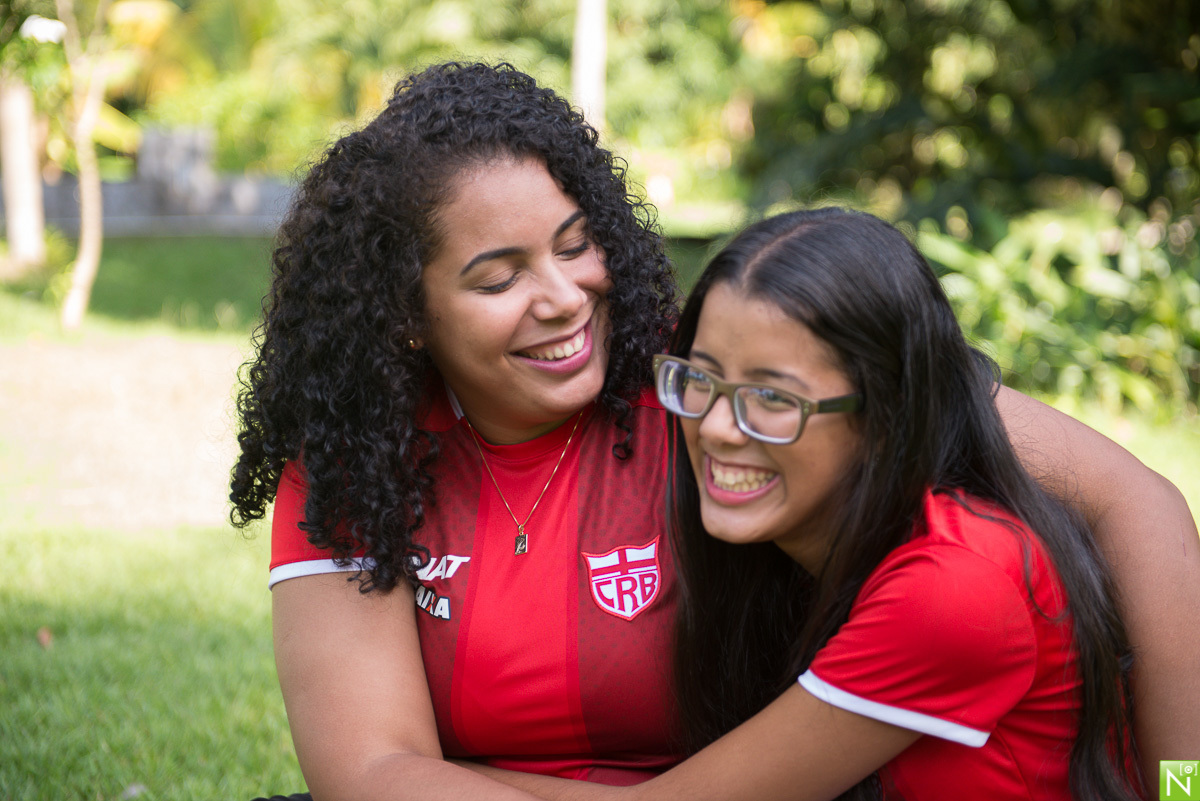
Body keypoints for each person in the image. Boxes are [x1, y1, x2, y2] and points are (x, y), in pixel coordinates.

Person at [228, 62, 1199, 800]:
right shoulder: (359, 456)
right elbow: (370, 773)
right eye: (499, 277)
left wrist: (1186, 790)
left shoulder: (717, 377)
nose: (564, 299)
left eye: (578, 245)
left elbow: (1137, 502)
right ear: (406, 309)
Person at [468, 208, 1143, 801]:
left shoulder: (955, 586)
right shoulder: (808, 550)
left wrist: (404, 775)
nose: (719, 428)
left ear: (886, 416)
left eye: (773, 398)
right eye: (700, 379)